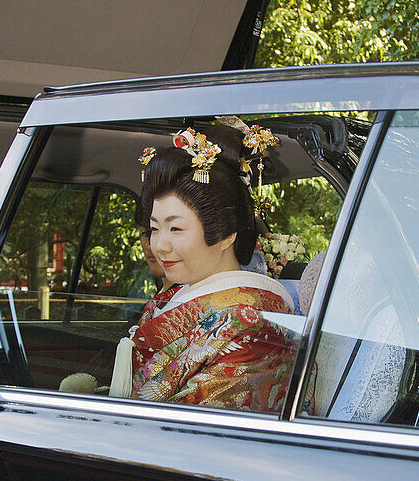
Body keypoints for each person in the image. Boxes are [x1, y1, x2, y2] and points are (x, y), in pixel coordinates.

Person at [109, 122, 297, 410]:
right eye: (155, 229)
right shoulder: (177, 296)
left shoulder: (254, 327)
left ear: (226, 234)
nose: (159, 245)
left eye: (176, 229)